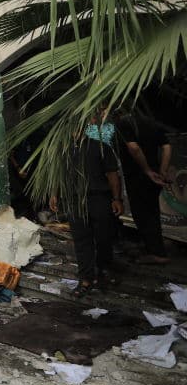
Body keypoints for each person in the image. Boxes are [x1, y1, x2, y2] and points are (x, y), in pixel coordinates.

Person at [52, 127, 123, 298]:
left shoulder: (101, 147)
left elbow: (113, 174)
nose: (74, 132)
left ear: (83, 128)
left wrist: (116, 198)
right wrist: (54, 194)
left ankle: (104, 270)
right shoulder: (63, 151)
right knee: (81, 240)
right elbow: (58, 174)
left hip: (99, 198)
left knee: (103, 237)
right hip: (75, 201)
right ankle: (86, 279)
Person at [115, 111, 173, 264]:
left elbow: (133, 148)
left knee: (142, 215)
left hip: (139, 176)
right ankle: (153, 247)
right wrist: (163, 170)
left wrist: (146, 170)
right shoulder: (150, 121)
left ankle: (157, 253)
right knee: (152, 212)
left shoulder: (124, 123)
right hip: (155, 175)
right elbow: (167, 146)